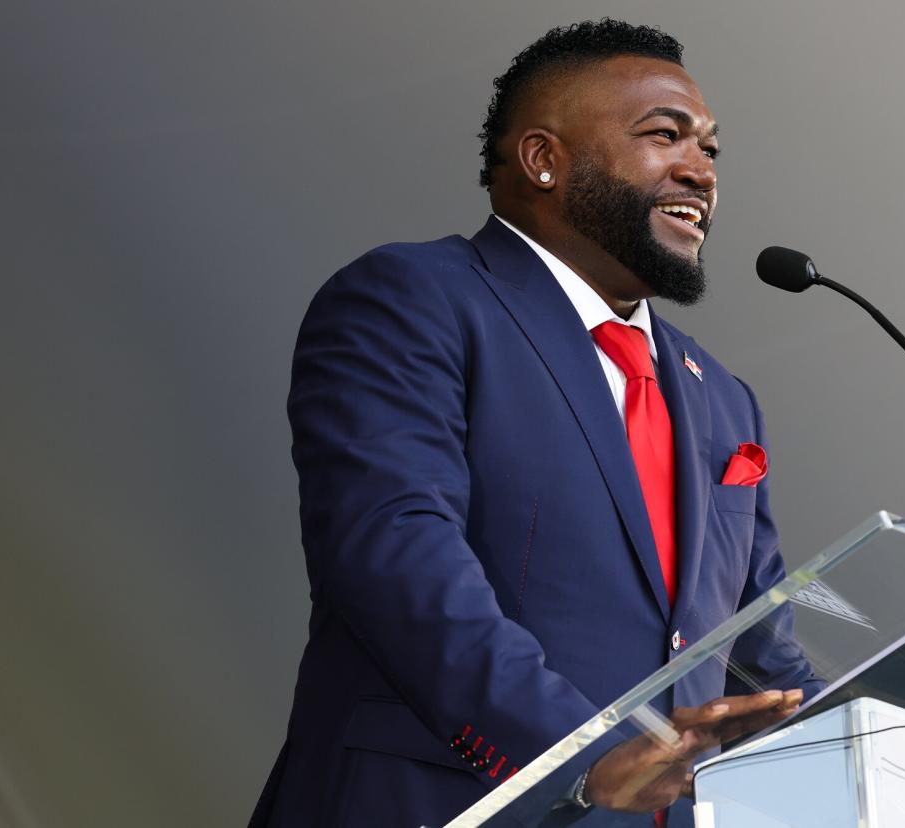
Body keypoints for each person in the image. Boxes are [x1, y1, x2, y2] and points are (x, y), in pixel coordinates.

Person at [250, 19, 826, 828]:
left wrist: (890, 741)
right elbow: (395, 555)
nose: (700, 171)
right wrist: (581, 756)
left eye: (711, 151)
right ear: (543, 159)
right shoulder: (415, 299)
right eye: (666, 135)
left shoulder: (721, 396)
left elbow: (760, 645)